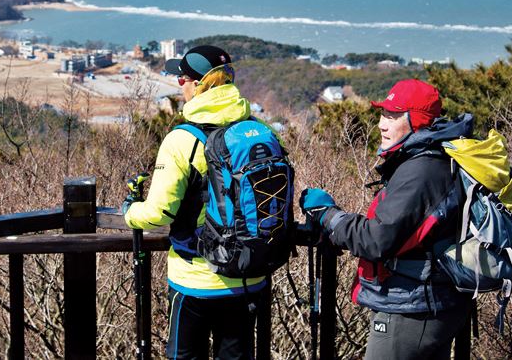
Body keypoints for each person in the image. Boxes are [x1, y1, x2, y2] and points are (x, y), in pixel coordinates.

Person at [300, 79, 474, 360]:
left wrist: (328, 216)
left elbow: (376, 239)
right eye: (383, 114)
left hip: (412, 307)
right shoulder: (434, 158)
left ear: (416, 121)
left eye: (393, 116)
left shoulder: (423, 170)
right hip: (433, 303)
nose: (382, 124)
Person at [123, 45, 263, 360]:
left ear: (200, 84)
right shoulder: (256, 131)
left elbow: (159, 213)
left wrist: (130, 210)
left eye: (183, 77)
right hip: (249, 274)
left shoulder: (182, 139)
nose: (179, 84)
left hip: (196, 277)